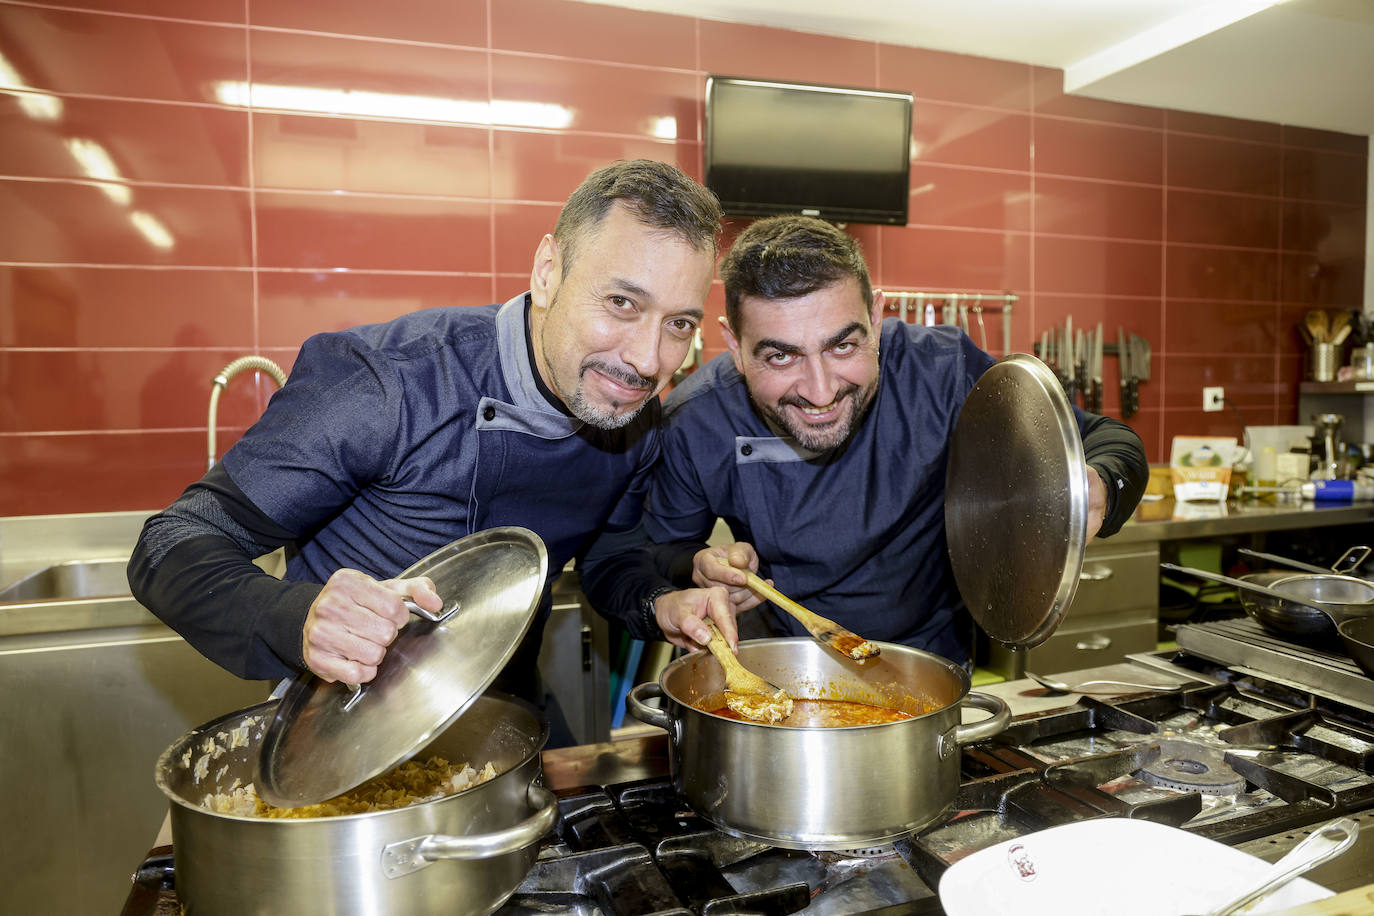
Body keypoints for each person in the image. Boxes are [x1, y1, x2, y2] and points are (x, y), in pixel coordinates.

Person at [127, 160, 735, 744]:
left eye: (679, 324)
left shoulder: (633, 420)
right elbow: (171, 543)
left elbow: (612, 557)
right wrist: (298, 616)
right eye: (622, 303)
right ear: (548, 271)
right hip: (340, 722)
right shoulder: (388, 382)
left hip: (506, 712)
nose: (647, 360)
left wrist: (658, 603)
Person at [580, 215, 1148, 666]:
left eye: (843, 346)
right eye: (780, 356)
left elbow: (1106, 440)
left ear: (876, 318)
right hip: (785, 667)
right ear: (734, 344)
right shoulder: (697, 420)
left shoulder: (943, 371)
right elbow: (646, 555)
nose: (820, 390)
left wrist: (1095, 486)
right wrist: (699, 569)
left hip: (932, 663)